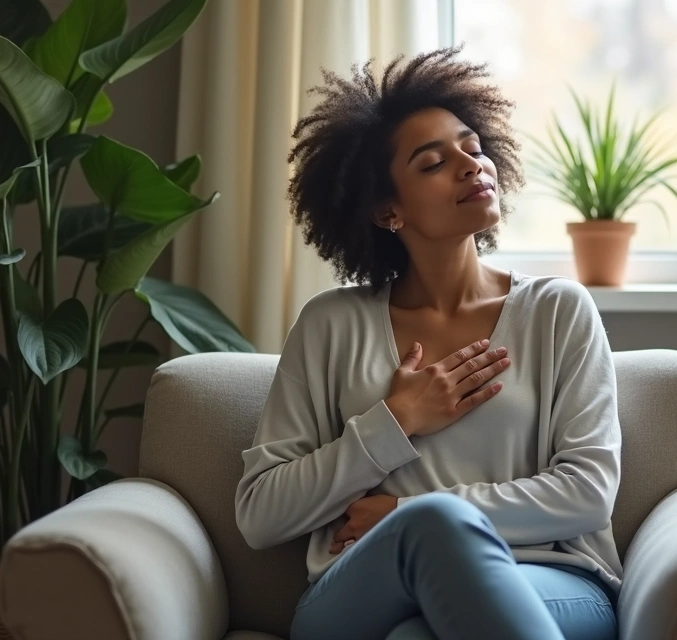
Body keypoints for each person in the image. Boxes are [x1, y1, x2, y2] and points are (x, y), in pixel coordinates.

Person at [234, 46, 622, 640]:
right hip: (363, 589)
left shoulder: (557, 312)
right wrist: (394, 422)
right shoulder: (329, 326)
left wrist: (403, 511)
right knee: (431, 532)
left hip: (549, 581)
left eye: (473, 146)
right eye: (433, 162)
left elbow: (587, 494)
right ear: (388, 209)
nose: (471, 165)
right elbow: (261, 514)